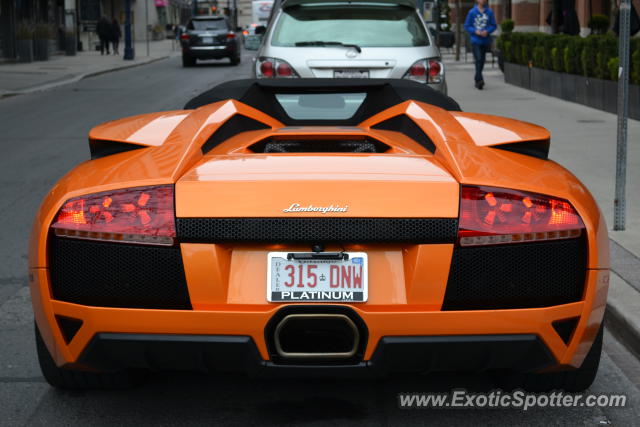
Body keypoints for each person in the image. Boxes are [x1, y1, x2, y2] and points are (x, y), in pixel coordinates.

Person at [464, 0, 497, 90]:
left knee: (482, 60)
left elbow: (494, 25)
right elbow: (467, 25)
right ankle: (479, 80)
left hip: (485, 40)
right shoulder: (472, 12)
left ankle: (477, 78)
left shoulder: (489, 12)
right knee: (478, 59)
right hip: (475, 40)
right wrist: (475, 31)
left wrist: (487, 31)